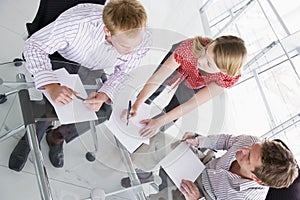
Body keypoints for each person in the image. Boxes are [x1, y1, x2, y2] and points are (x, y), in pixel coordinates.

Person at [9, 0, 151, 171]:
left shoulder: (138, 37)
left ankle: (57, 137)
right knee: (53, 108)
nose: (133, 52)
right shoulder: (77, 24)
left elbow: (125, 72)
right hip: (62, 58)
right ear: (107, 31)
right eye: (126, 47)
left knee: (103, 112)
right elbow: (34, 46)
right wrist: (52, 85)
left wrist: (104, 95)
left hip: (92, 68)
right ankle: (31, 139)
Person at [124, 35, 247, 138]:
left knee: (177, 105)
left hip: (200, 80)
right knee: (160, 85)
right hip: (185, 59)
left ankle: (146, 133)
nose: (201, 60)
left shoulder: (226, 78)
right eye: (205, 52)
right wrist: (138, 103)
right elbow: (158, 78)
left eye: (209, 63)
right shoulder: (190, 48)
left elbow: (191, 104)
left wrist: (159, 123)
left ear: (223, 72)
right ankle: (135, 112)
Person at [143, 133, 299, 200]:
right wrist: (200, 141)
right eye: (252, 147)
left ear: (256, 179)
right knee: (159, 142)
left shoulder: (248, 198)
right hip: (205, 164)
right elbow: (227, 141)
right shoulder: (252, 141)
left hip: (205, 194)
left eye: (248, 157)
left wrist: (198, 198)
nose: (244, 150)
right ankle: (143, 174)